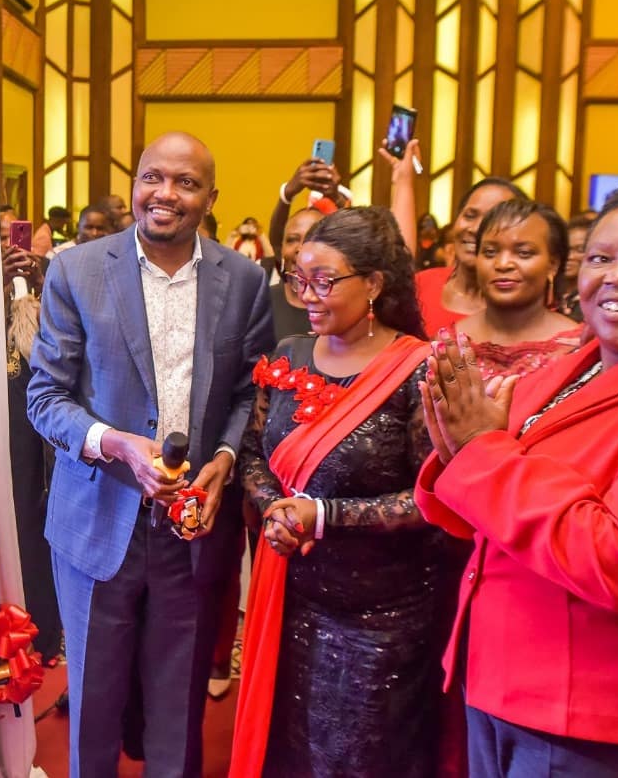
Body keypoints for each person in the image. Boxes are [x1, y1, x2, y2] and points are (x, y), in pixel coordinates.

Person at [415, 180, 618, 776]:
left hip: (607, 716)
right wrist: (456, 449)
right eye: (601, 257)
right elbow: (470, 508)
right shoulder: (568, 369)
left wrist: (479, 451)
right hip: (502, 683)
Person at [27, 131, 273, 777]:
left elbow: (250, 391)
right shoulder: (76, 270)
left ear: (210, 197)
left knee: (177, 707)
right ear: (135, 182)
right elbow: (45, 397)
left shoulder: (244, 281)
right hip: (96, 523)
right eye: (152, 177)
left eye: (185, 183)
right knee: (94, 706)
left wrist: (225, 453)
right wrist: (113, 444)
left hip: (193, 529)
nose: (165, 194)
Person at [231, 207, 460, 778]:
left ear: (375, 283)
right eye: (297, 278)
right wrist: (274, 510)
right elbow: (256, 455)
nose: (307, 295)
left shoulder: (418, 371)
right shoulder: (288, 354)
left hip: (383, 615)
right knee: (289, 750)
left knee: (360, 756)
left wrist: (324, 516)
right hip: (292, 596)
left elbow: (433, 499)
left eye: (325, 281)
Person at [0, 210, 62, 659]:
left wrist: (42, 291)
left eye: (16, 237)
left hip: (36, 433)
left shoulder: (50, 285)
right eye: (0, 238)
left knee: (33, 522)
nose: (10, 248)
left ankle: (41, 628)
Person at [453, 200, 581, 379]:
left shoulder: (575, 347)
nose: (503, 264)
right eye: (490, 252)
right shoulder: (450, 343)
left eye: (524, 253)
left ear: (553, 265)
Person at [413, 178, 527, 336]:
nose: (475, 229)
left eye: (492, 220)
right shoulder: (419, 285)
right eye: (470, 216)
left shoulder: (524, 307)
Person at [268, 208, 320, 343]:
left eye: (311, 239)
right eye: (292, 240)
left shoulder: (341, 307)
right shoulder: (261, 302)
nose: (300, 249)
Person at [557, 213, 596, 321]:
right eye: (566, 249)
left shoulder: (597, 300)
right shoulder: (550, 296)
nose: (569, 256)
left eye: (579, 250)